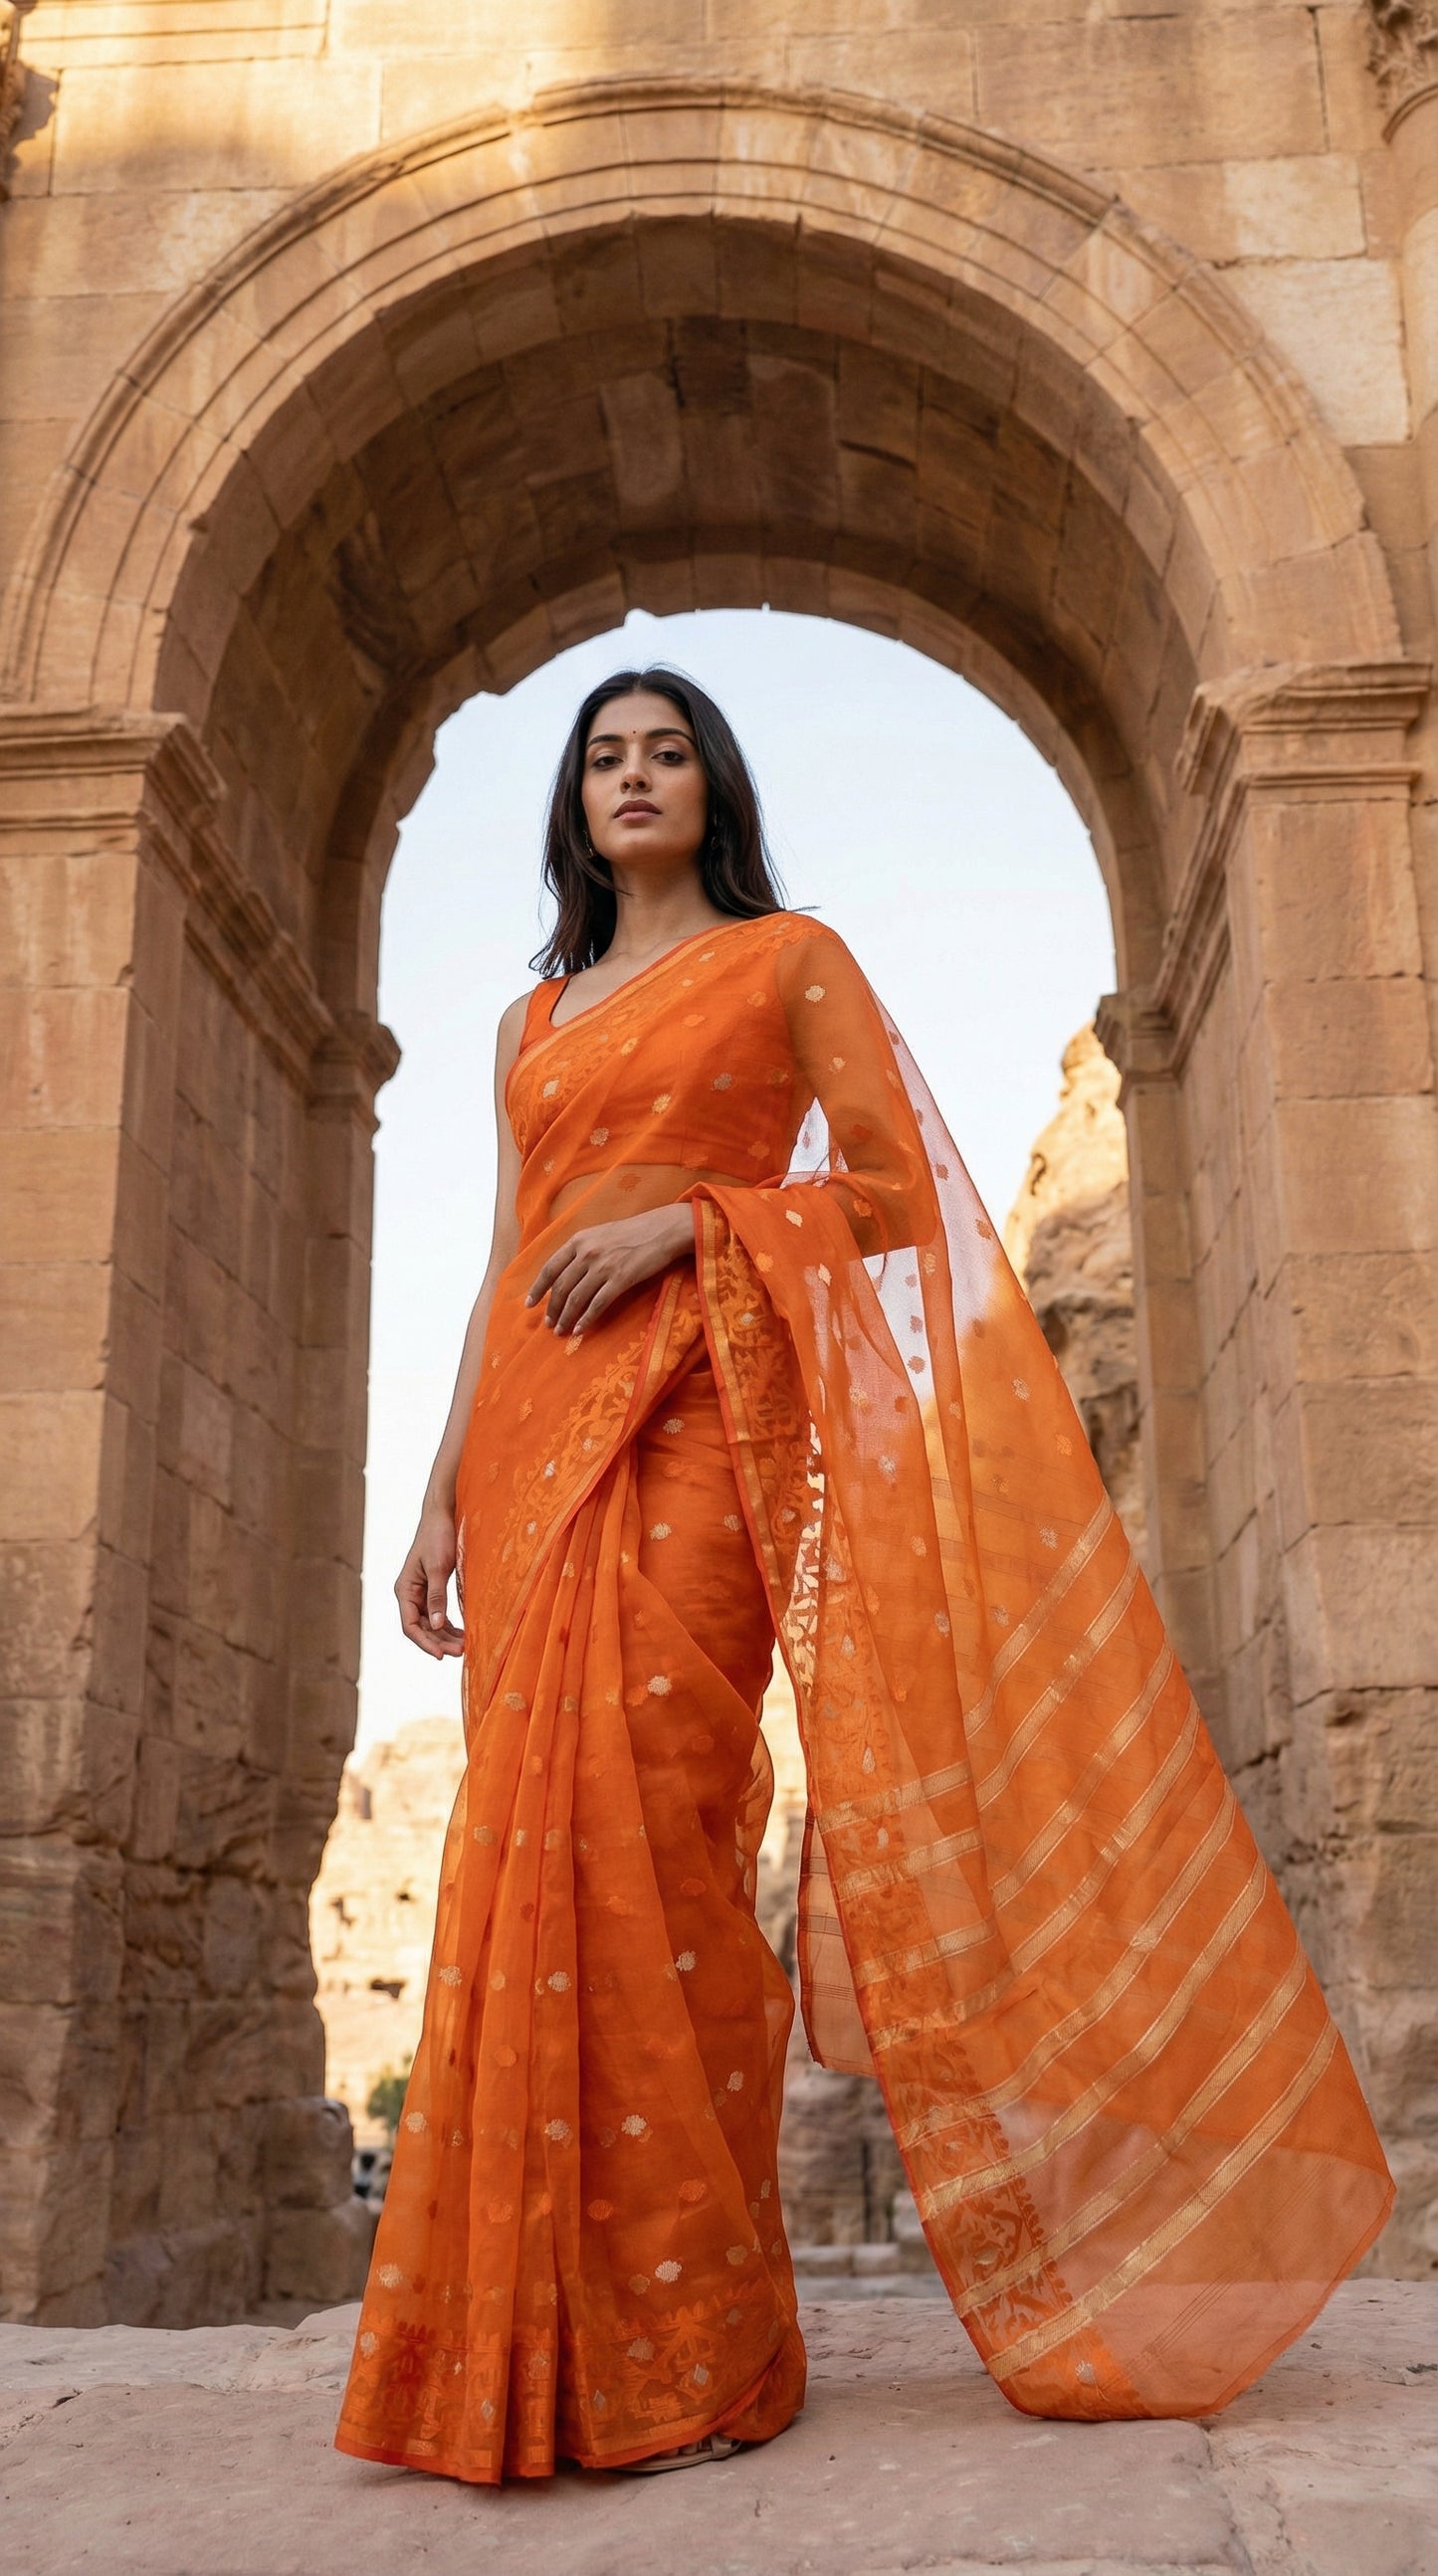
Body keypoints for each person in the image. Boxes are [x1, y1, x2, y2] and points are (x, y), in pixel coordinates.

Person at [334, 668, 1392, 2486]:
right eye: (604, 758)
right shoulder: (528, 1020)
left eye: (667, 752)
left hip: (697, 1423)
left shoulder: (786, 959)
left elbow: (895, 1190)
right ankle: (534, 2345)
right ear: (572, 803)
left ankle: (696, 2345)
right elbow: (508, 1263)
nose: (634, 777)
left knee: (662, 1844)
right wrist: (436, 1494)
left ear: (714, 787)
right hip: (526, 1454)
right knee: (525, 1851)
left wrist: (691, 1225)